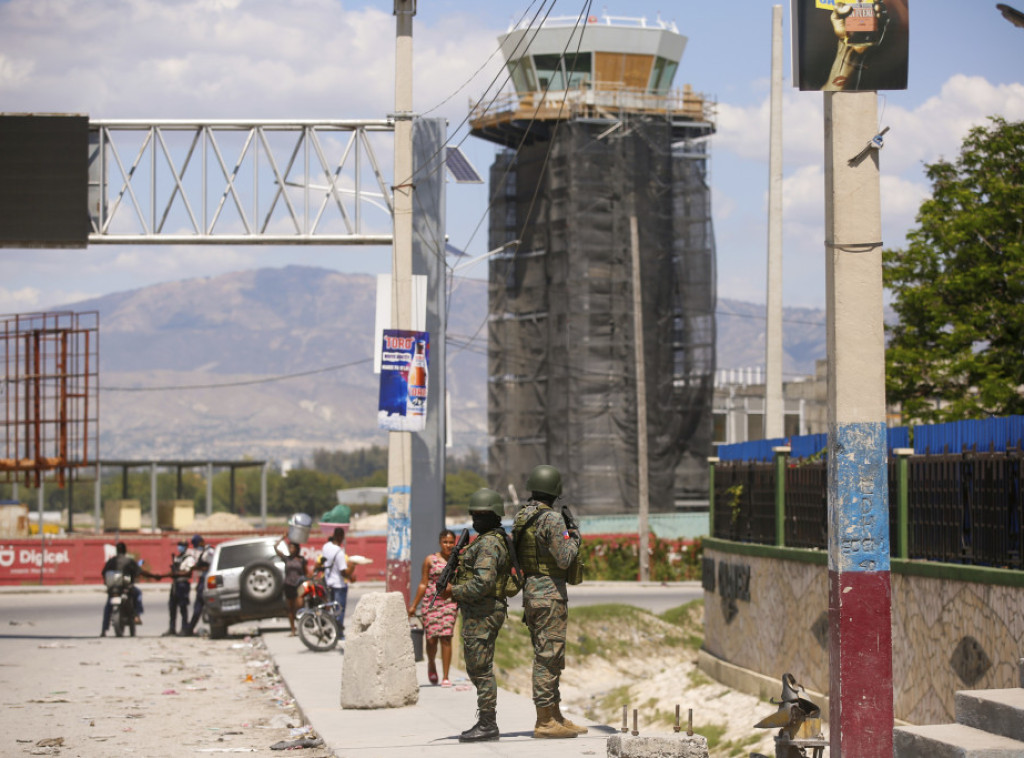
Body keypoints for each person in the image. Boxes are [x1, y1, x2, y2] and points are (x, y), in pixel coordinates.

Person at [512, 464, 586, 739]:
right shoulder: (552, 519)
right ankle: (545, 721)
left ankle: (555, 715)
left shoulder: (522, 516)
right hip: (549, 594)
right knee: (548, 657)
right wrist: (574, 538)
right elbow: (564, 558)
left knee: (551, 655)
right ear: (555, 491)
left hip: (532, 591)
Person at [446, 488, 514, 743]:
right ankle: (486, 720)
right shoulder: (489, 539)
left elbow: (483, 583)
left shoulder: (488, 544)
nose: (475, 520)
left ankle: (488, 723)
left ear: (493, 515)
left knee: (481, 670)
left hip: (484, 613)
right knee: (476, 668)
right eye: (473, 515)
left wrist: (454, 591)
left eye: (480, 515)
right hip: (480, 612)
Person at [407, 529, 458, 686]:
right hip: (431, 601)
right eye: (445, 542)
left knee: (446, 637)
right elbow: (423, 583)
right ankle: (431, 663)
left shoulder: (459, 560)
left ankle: (446, 677)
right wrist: (414, 605)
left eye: (451, 542)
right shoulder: (430, 560)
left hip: (449, 602)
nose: (448, 545)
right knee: (431, 640)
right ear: (440, 542)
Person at [100, 542, 159, 636]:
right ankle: (137, 615)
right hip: (125, 589)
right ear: (125, 550)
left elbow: (103, 573)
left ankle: (104, 630)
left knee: (108, 607)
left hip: (112, 589)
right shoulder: (129, 561)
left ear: (117, 551)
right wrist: (154, 576)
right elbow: (140, 572)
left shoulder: (111, 561)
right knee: (138, 593)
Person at [320, 527, 353, 639]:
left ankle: (331, 632)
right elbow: (343, 572)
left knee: (331, 610)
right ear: (340, 537)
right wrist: (352, 568)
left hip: (328, 583)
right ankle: (339, 633)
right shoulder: (339, 552)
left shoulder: (326, 547)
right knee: (339, 611)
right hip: (339, 585)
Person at [182, 534, 214, 636]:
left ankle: (214, 629)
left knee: (210, 607)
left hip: (208, 581)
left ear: (201, 542)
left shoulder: (209, 552)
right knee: (198, 607)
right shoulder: (202, 552)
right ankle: (190, 629)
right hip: (202, 582)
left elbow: (210, 566)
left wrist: (195, 568)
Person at [276, 536, 308, 635]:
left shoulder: (301, 560)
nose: (291, 549)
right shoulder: (287, 559)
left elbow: (306, 572)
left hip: (299, 585)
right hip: (288, 585)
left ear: (297, 549)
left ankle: (301, 627)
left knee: (300, 606)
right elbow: (275, 548)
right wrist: (283, 537)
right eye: (289, 547)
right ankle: (293, 630)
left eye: (292, 547)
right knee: (290, 609)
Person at [163, 540, 195, 637]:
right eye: (179, 545)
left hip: (183, 584)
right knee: (172, 607)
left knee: (183, 607)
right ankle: (172, 628)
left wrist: (177, 573)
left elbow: (189, 572)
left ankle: (184, 628)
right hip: (175, 584)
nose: (180, 547)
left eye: (182, 545)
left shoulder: (189, 558)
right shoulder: (177, 558)